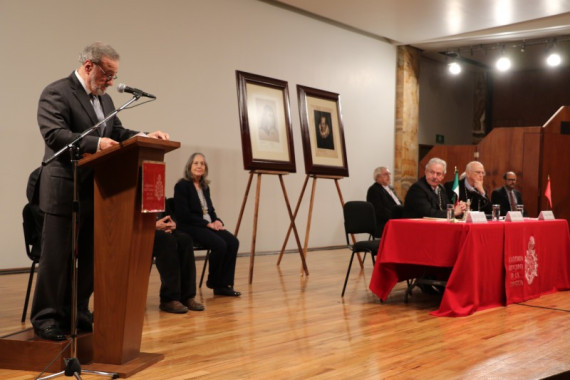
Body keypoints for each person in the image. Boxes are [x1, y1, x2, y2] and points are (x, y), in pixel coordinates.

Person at [32, 42, 169, 341]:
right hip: (64, 188)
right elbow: (55, 135)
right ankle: (46, 319)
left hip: (97, 190)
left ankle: (77, 311)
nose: (111, 81)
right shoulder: (57, 92)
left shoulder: (105, 102)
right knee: (58, 258)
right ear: (89, 66)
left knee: (93, 258)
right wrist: (95, 144)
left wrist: (146, 136)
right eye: (107, 74)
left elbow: (116, 132)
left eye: (114, 75)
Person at [174, 153, 241, 297]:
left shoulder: (205, 187)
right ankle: (215, 282)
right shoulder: (181, 186)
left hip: (206, 225)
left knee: (233, 242)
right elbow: (183, 215)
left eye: (202, 163)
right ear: (189, 166)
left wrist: (217, 221)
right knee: (220, 245)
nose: (199, 166)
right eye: (196, 163)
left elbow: (210, 210)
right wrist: (207, 224)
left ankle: (224, 285)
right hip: (191, 226)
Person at [153, 214, 205, 314]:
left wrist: (171, 224)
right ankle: (169, 299)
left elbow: (169, 214)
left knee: (185, 240)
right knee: (166, 240)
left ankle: (187, 296)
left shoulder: (158, 198)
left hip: (161, 229)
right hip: (140, 230)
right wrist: (153, 226)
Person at [366, 166, 404, 236]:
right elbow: (379, 211)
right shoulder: (374, 190)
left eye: (389, 174)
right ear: (377, 177)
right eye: (386, 174)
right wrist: (397, 218)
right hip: (383, 223)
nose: (389, 176)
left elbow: (399, 203)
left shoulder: (391, 188)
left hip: (397, 220)